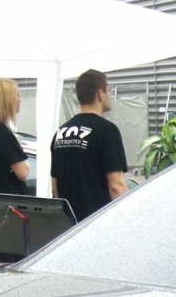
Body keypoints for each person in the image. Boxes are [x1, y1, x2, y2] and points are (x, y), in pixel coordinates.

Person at [51, 69, 128, 219]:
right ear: (100, 94)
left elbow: (55, 189)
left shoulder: (60, 132)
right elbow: (116, 186)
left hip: (71, 224)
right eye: (109, 91)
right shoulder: (107, 130)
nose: (110, 95)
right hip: (97, 222)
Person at [0, 78, 30, 195]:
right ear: (7, 99)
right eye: (17, 95)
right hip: (9, 199)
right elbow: (23, 172)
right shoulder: (1, 132)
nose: (20, 100)